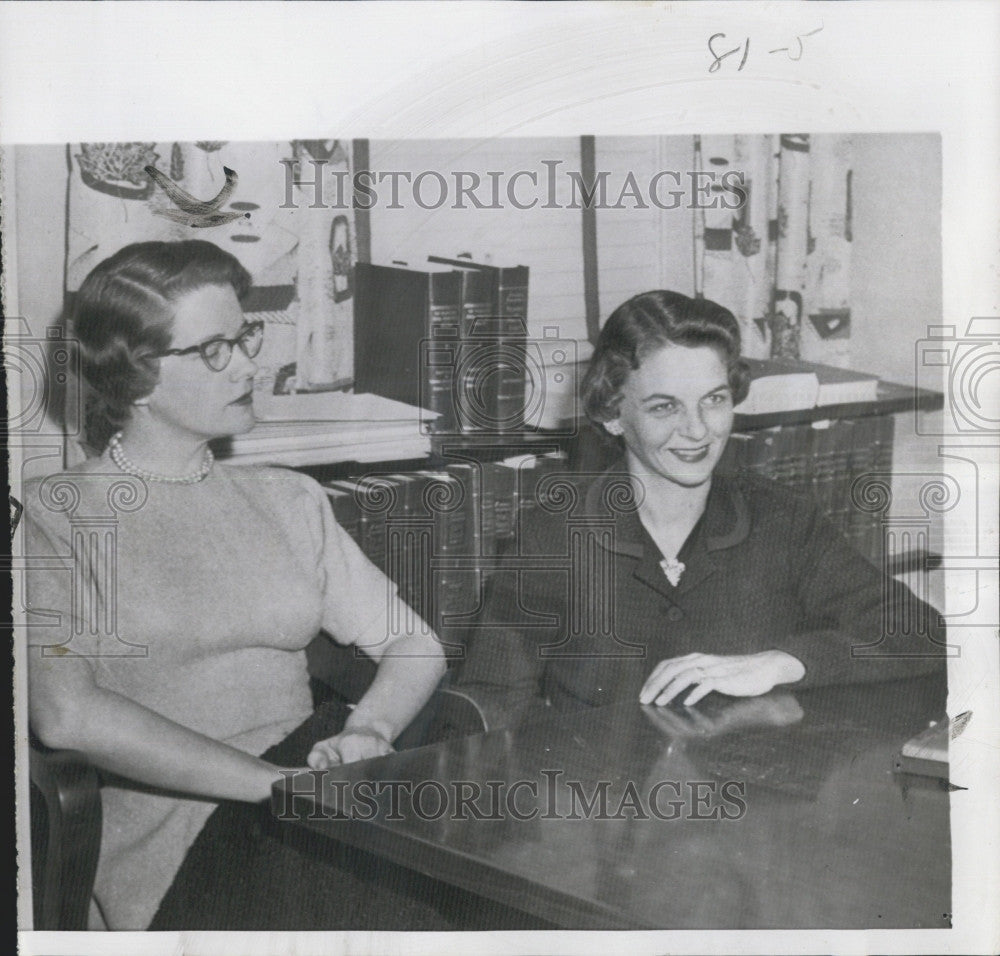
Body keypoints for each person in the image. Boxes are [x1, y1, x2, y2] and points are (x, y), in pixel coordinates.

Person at [23, 240, 448, 930]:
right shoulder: (50, 515)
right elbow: (68, 715)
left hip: (312, 797)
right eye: (215, 350)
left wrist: (369, 729)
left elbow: (414, 644)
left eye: (245, 336)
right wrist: (277, 788)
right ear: (135, 377)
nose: (251, 362)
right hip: (185, 839)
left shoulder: (289, 499)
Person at [454, 290, 947, 730]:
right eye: (664, 407)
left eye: (714, 400)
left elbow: (918, 631)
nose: (697, 430)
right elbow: (491, 701)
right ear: (612, 414)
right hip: (605, 809)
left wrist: (781, 662)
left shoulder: (783, 518)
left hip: (750, 806)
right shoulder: (555, 535)